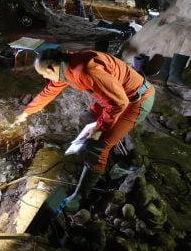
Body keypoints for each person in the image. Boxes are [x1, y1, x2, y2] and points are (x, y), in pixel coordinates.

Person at [14, 49, 155, 211]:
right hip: (114, 97)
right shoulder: (66, 66)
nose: (44, 78)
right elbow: (50, 91)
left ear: (52, 68)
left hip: (135, 101)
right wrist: (26, 112)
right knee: (86, 119)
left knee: (97, 143)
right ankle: (85, 151)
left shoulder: (85, 71)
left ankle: (80, 195)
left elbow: (119, 104)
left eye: (43, 74)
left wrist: (98, 128)